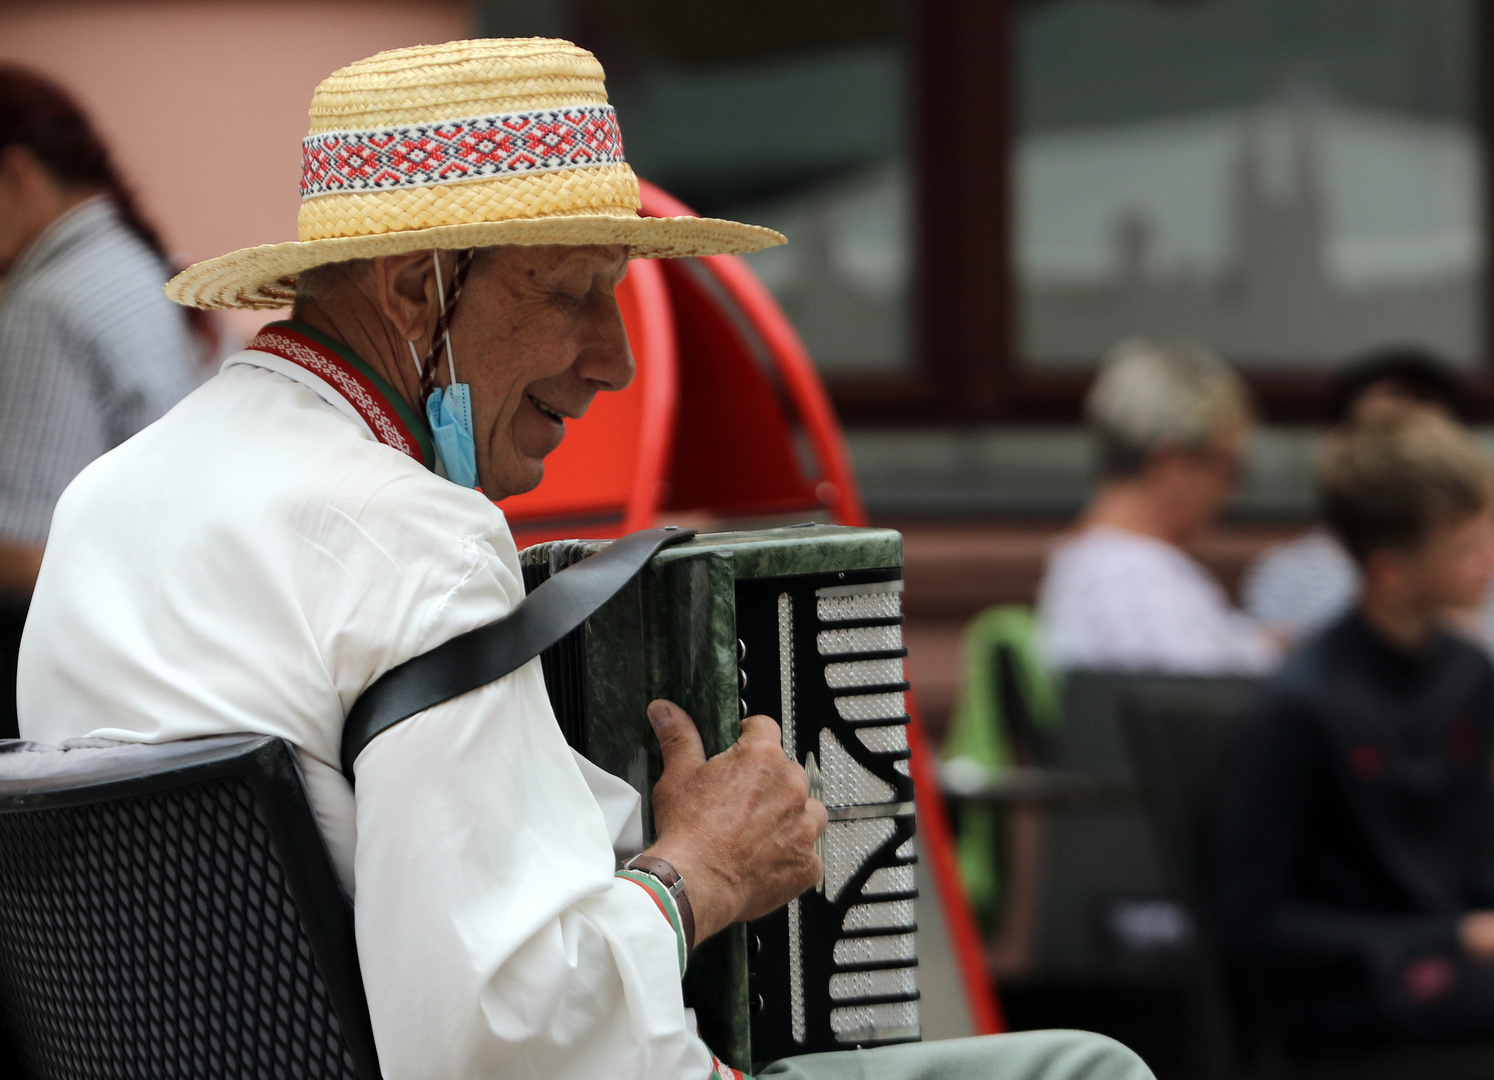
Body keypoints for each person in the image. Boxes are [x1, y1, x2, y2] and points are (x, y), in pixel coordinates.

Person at [15, 40, 1151, 1080]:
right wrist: (698, 870)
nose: (611, 362)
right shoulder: (409, 533)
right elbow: (498, 1038)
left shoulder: (105, 501)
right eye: (571, 296)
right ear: (416, 286)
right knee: (1086, 1069)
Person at [1214, 409, 1494, 1053]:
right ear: (1391, 570)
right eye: (1465, 549)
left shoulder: (1470, 676)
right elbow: (1251, 921)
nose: (1486, 564)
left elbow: (1471, 859)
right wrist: (1449, 937)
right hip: (1345, 997)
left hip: (1453, 970)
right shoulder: (1302, 702)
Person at [0, 66, 204, 738]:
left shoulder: (43, 304)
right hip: (164, 650)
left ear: (18, 173)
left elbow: (27, 551)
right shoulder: (134, 262)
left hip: (80, 682)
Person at [1037, 339, 1279, 674]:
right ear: (1172, 467)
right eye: (1229, 467)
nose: (1234, 490)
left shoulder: (1090, 567)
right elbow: (1207, 708)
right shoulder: (1140, 587)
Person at [1242, 349, 1465, 642]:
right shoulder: (1283, 575)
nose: (1401, 465)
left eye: (1424, 447)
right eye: (1380, 441)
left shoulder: (1481, 571)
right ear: (1334, 447)